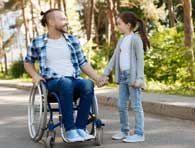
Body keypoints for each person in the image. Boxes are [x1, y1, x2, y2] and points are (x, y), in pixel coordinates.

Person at [24, 9, 107, 143]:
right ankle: (70, 130)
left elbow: (83, 63)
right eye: (62, 19)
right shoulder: (38, 42)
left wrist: (97, 78)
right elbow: (28, 62)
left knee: (87, 84)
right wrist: (35, 75)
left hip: (74, 79)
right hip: (52, 82)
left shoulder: (72, 40)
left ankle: (80, 128)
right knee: (65, 83)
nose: (66, 22)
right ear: (51, 22)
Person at [102, 11, 150, 143]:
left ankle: (139, 133)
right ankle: (124, 130)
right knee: (121, 105)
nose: (118, 26)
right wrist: (105, 73)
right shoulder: (122, 40)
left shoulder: (136, 39)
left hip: (133, 76)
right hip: (123, 76)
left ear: (128, 25)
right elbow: (114, 58)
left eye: (119, 24)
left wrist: (140, 78)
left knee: (136, 106)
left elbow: (140, 60)